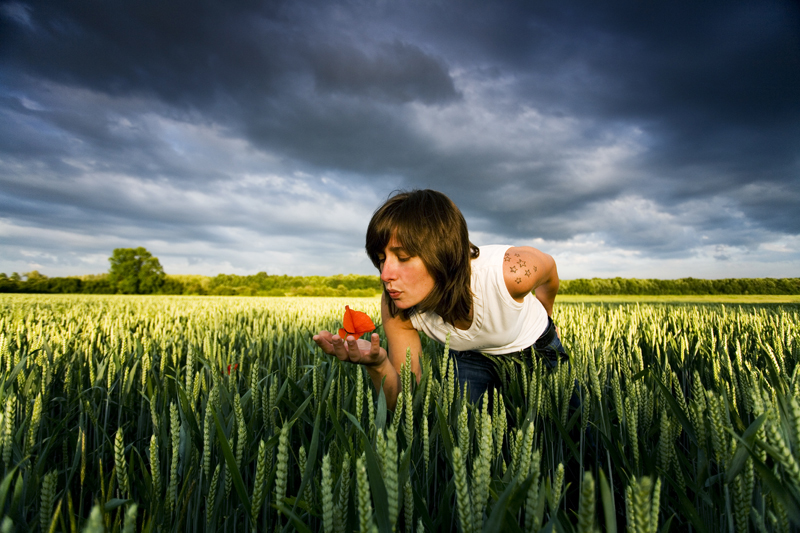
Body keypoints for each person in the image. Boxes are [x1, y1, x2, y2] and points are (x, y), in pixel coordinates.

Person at [312, 189, 566, 410]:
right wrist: (378, 365)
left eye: (403, 257)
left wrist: (547, 313)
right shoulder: (397, 307)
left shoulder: (511, 273)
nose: (385, 275)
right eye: (381, 259)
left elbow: (550, 270)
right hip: (470, 355)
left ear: (442, 254)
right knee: (470, 443)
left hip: (536, 345)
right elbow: (404, 402)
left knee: (576, 429)